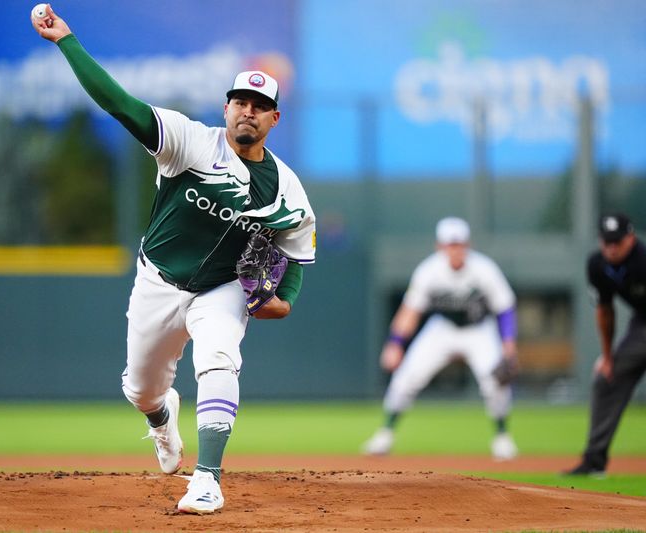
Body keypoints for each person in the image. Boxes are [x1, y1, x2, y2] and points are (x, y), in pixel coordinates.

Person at [31, 6, 316, 514]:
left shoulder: (288, 188)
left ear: (275, 117)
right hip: (158, 281)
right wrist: (67, 41)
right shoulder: (188, 142)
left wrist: (285, 301)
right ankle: (161, 419)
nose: (247, 110)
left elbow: (295, 251)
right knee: (140, 388)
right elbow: (119, 104)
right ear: (225, 107)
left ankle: (207, 478)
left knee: (220, 359)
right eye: (240, 101)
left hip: (225, 288)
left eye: (260, 104)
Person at [363, 217, 519, 460]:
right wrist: (395, 343)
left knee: (495, 382)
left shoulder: (484, 269)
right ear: (440, 246)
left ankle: (502, 436)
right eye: (450, 244)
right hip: (443, 329)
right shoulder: (429, 271)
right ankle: (385, 433)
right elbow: (410, 311)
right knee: (406, 377)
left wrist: (509, 346)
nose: (455, 249)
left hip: (478, 329)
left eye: (459, 244)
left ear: (468, 245)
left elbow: (505, 307)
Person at [564, 213, 646, 476]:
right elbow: (605, 312)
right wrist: (608, 357)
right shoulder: (597, 265)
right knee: (606, 380)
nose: (611, 247)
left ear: (631, 238)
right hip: (642, 325)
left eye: (617, 241)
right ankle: (594, 462)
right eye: (606, 241)